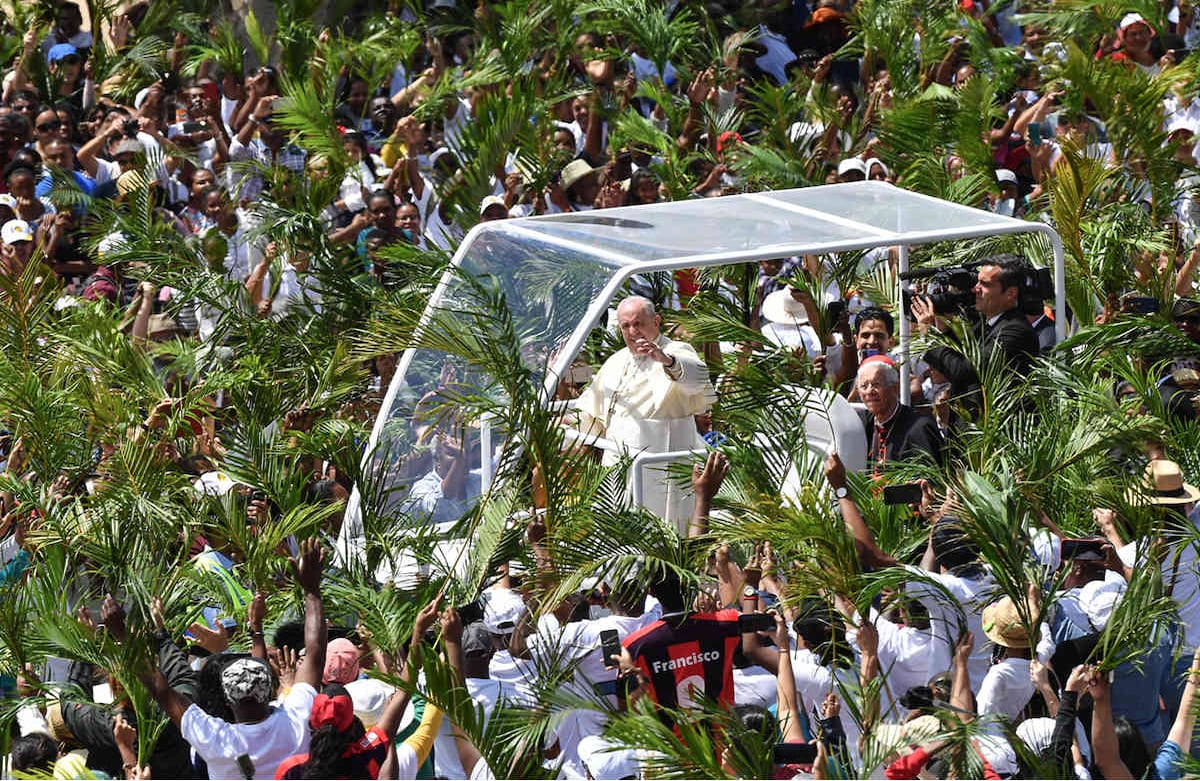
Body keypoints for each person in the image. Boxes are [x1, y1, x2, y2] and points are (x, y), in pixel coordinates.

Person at [137, 539, 327, 780]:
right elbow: (315, 653)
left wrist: (127, 635)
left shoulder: (217, 741)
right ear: (270, 687)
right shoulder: (296, 718)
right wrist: (312, 591)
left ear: (227, 699)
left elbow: (162, 691)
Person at [574, 295, 716, 529]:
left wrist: (666, 360)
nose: (632, 331)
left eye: (638, 323)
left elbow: (697, 380)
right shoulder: (617, 360)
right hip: (619, 458)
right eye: (625, 326)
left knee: (666, 526)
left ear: (656, 321)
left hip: (663, 455)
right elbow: (592, 409)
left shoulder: (676, 350)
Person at [856, 355, 943, 475]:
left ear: (895, 388)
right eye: (864, 386)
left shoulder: (919, 429)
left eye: (876, 384)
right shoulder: (865, 425)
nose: (870, 392)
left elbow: (929, 480)